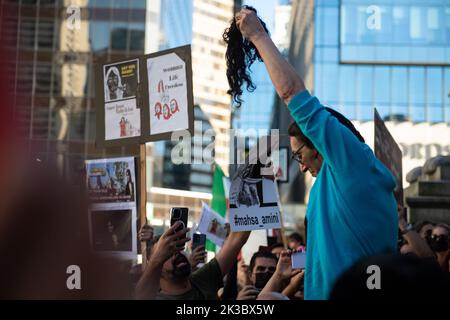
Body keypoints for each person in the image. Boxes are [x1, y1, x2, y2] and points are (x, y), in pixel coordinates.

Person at [235, 8, 397, 299]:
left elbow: (291, 92)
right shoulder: (334, 183)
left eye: (299, 155)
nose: (300, 165)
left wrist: (257, 35)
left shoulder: (353, 163)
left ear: (321, 145)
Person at [135, 221, 251, 300]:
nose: (176, 254)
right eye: (167, 253)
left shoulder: (202, 280)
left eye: (178, 248)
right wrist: (156, 257)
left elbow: (237, 239)